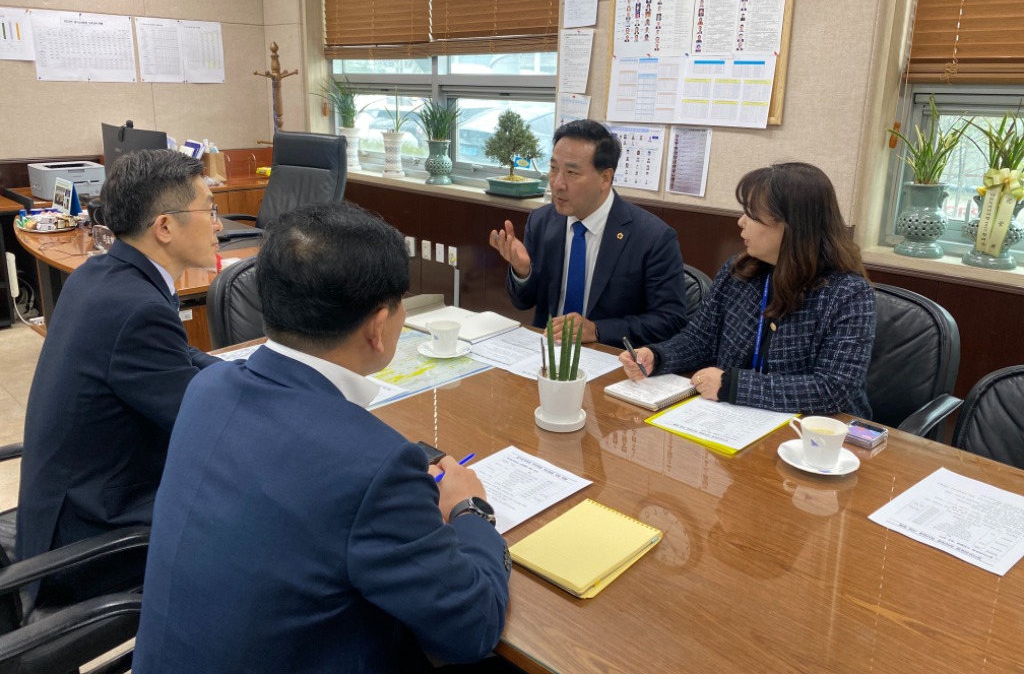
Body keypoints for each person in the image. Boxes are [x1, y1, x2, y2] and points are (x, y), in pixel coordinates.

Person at [133, 202, 511, 673]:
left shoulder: (207, 388)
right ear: (378, 326)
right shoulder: (376, 468)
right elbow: (472, 628)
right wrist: (471, 510)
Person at [16, 149, 223, 603]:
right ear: (164, 227)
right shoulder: (139, 308)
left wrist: (235, 372)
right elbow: (209, 426)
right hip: (89, 541)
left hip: (59, 508)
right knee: (252, 521)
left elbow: (180, 355)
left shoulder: (102, 274)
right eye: (209, 209)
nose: (219, 224)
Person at [619, 161, 875, 418]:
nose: (741, 222)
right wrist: (657, 356)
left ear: (791, 225)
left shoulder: (848, 295)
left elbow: (833, 389)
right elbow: (699, 340)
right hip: (735, 419)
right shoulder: (739, 272)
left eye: (752, 214)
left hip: (816, 435)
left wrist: (733, 386)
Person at [489, 119, 687, 348]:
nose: (557, 183)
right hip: (547, 353)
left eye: (572, 172)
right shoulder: (542, 221)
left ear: (605, 178)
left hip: (612, 359)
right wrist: (522, 272)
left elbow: (670, 320)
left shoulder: (652, 237)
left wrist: (597, 330)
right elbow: (524, 302)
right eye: (554, 169)